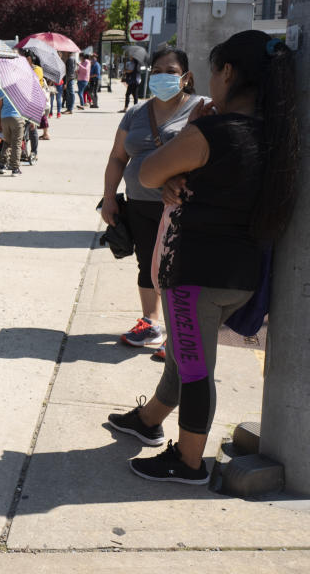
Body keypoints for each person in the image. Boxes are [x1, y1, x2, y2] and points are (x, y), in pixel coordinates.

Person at [108, 31, 298, 484]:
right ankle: (149, 419)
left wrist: (195, 137)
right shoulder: (275, 132)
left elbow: (148, 171)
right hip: (243, 273)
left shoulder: (211, 130)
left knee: (194, 369)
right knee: (182, 353)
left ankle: (189, 462)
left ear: (227, 73)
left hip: (196, 272)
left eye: (214, 72)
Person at [101, 47, 203, 359]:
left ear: (185, 77)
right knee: (147, 263)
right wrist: (109, 199)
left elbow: (209, 156)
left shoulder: (201, 108)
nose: (162, 76)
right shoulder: (136, 113)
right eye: (157, 70)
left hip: (179, 207)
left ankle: (181, 336)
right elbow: (118, 157)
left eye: (170, 71)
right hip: (139, 204)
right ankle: (152, 323)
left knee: (180, 269)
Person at [0, 89, 24, 176]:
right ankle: (15, 168)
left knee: (6, 142)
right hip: (17, 118)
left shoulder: (2, 88)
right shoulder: (22, 88)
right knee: (16, 144)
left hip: (4, 118)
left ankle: (2, 165)